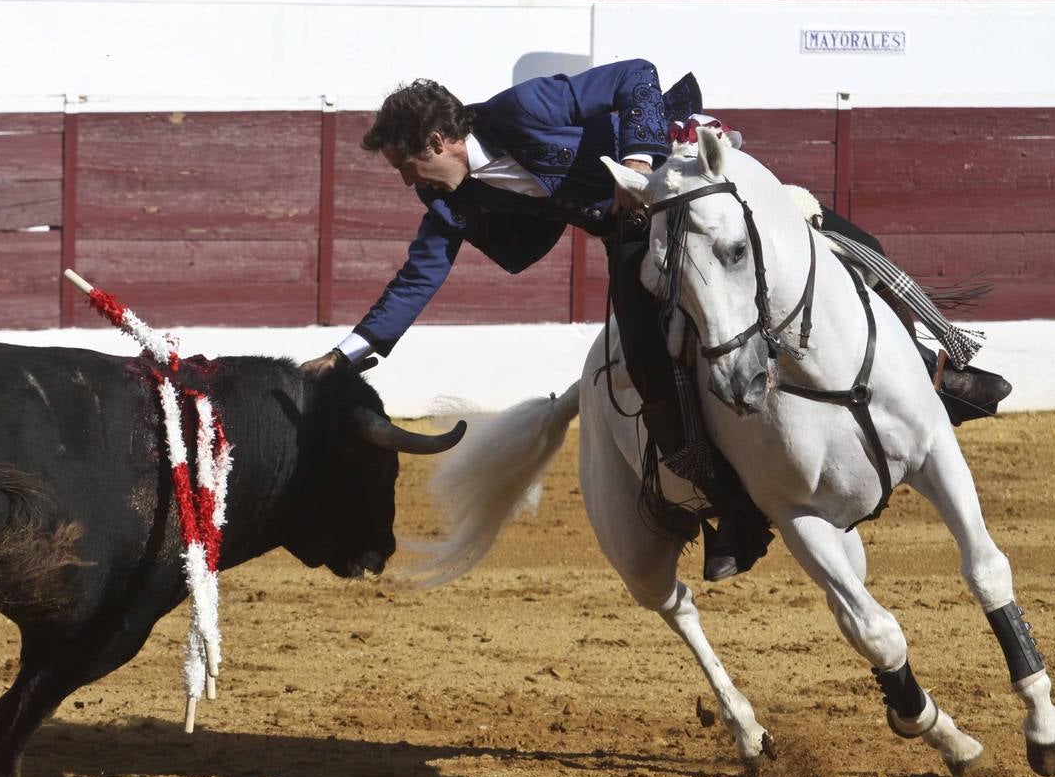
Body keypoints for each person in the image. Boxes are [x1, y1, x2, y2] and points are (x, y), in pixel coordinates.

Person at [301, 60, 1010, 580]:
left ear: (439, 141)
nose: (406, 183)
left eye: (405, 166)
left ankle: (937, 369)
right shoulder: (449, 204)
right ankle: (732, 506)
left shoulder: (524, 107)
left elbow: (637, 76)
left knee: (842, 241)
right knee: (643, 356)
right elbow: (419, 276)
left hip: (679, 181)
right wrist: (349, 356)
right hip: (635, 238)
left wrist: (637, 158)